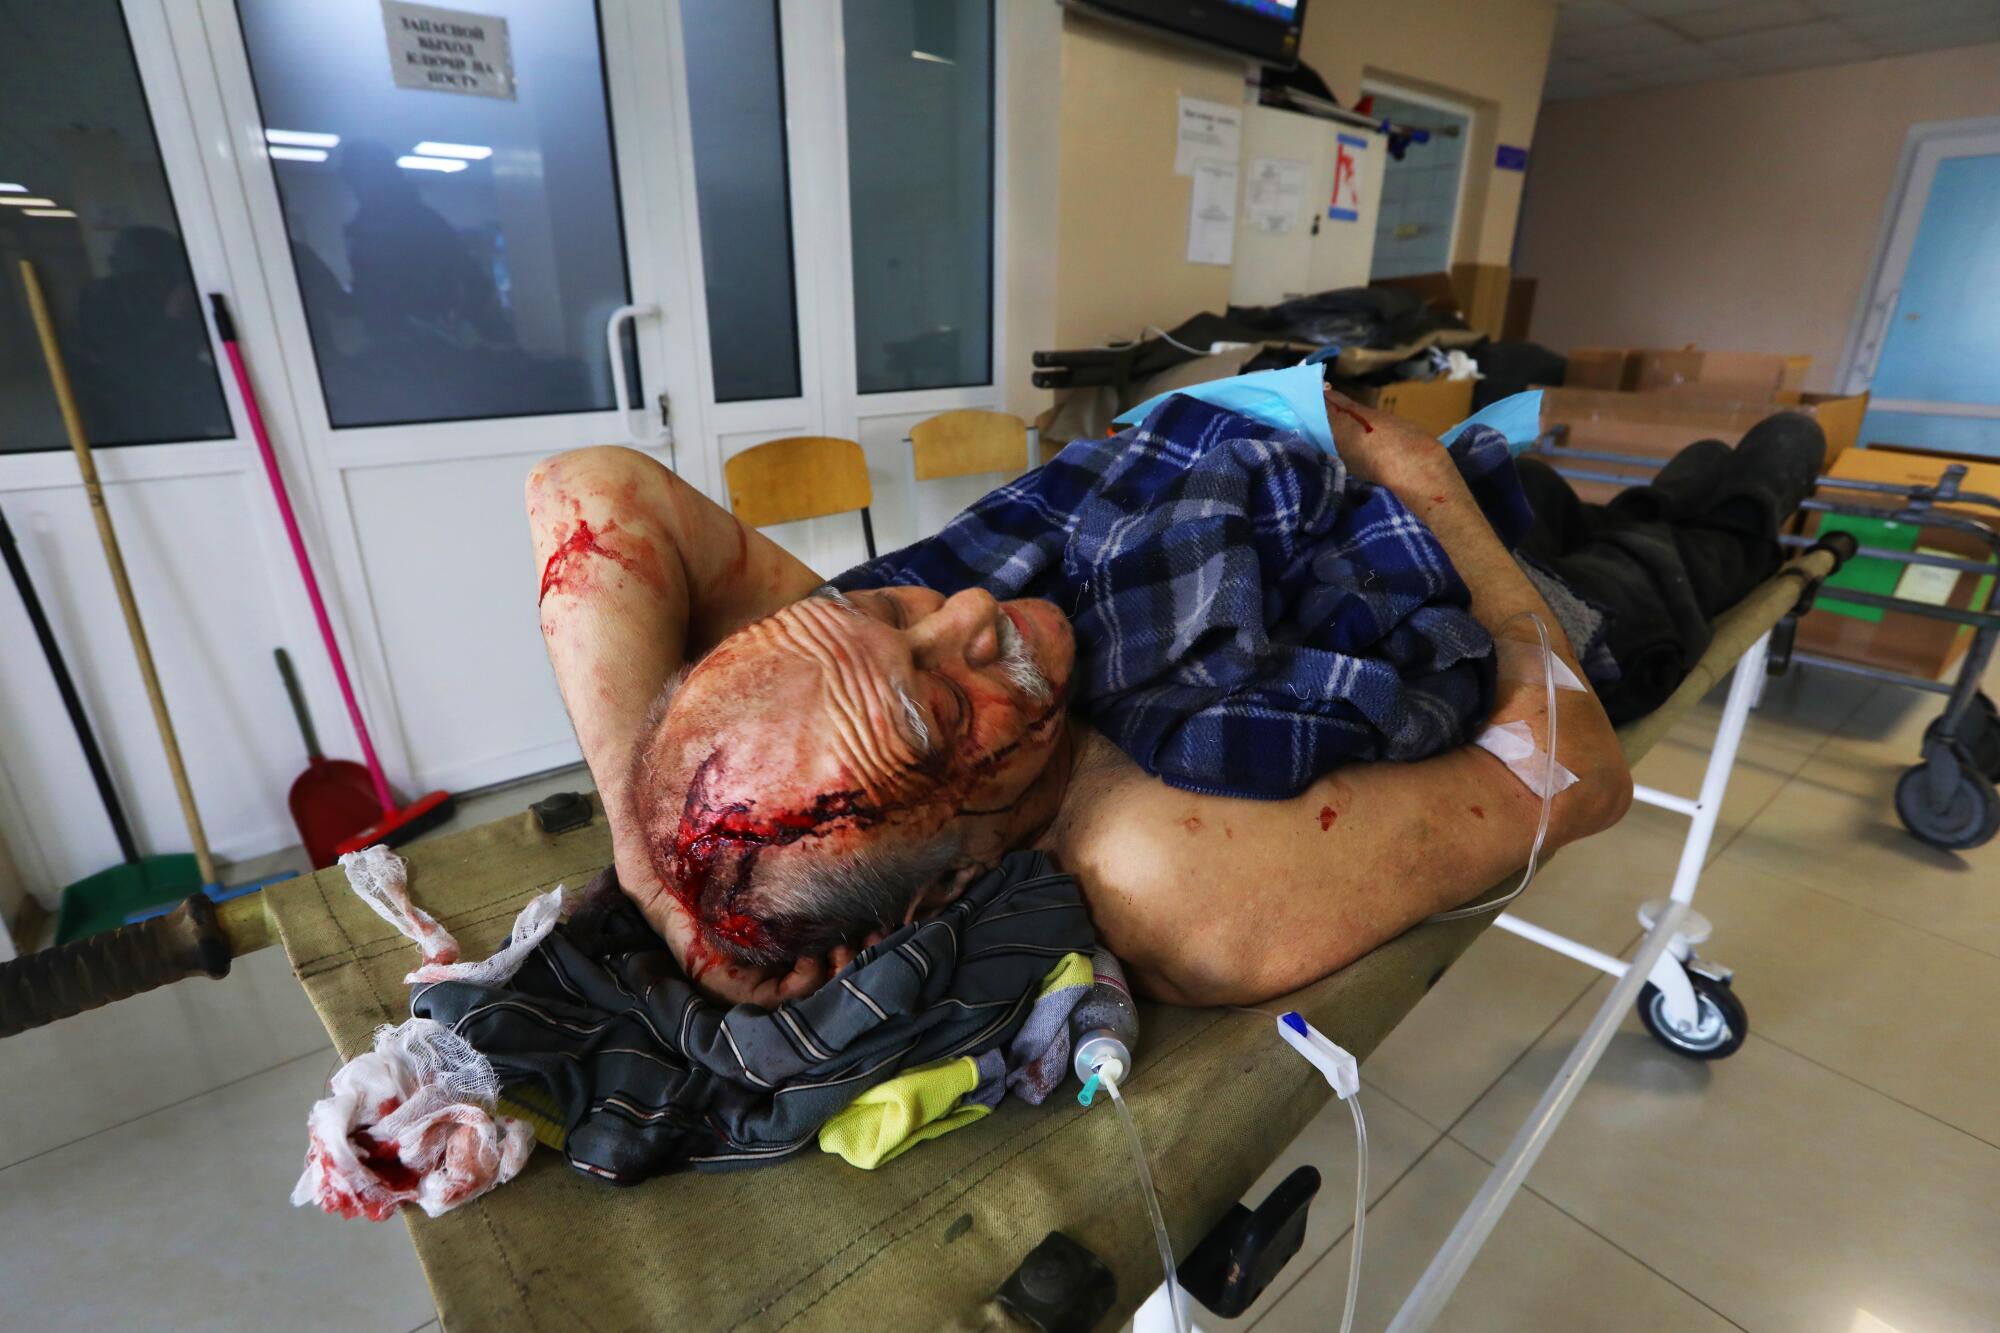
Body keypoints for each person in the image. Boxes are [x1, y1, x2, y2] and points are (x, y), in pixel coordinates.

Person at [526, 390, 1632, 1010]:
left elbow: (588, 486)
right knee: (1701, 512)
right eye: (949, 703)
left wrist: (646, 862)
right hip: (1522, 581)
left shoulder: (839, 696)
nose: (966, 608)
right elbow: (1572, 769)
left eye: (890, 615)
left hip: (1325, 472)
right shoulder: (1162, 867)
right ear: (951, 876)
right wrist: (1426, 480)